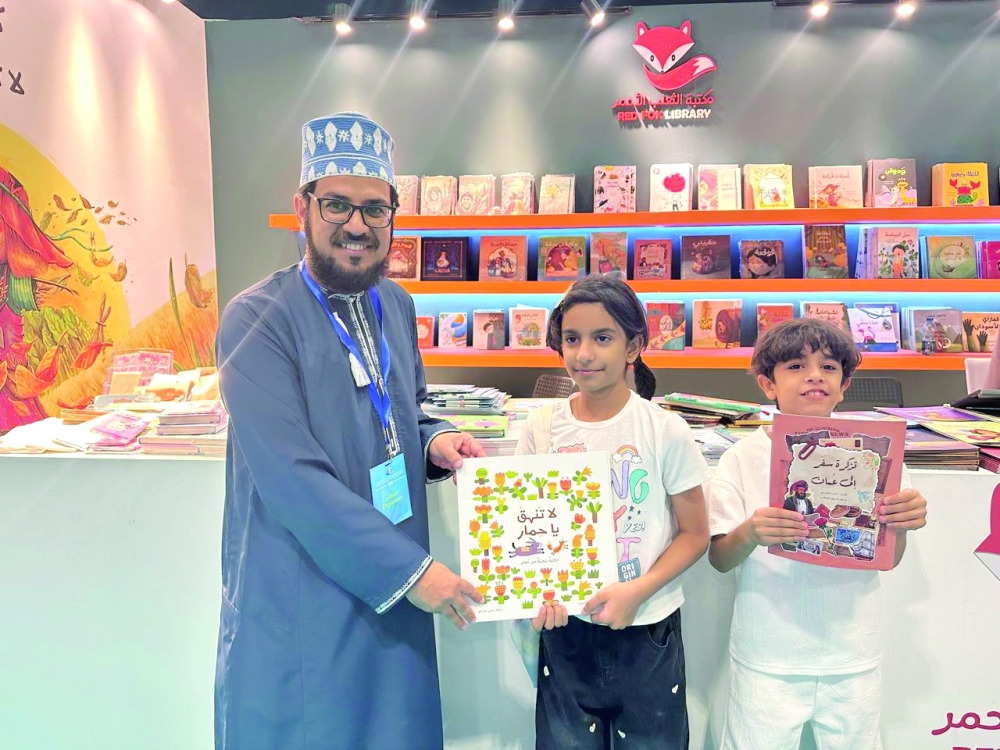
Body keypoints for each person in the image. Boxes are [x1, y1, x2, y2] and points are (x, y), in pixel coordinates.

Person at [214, 111, 485, 750]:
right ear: (302, 207)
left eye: (375, 209)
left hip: (395, 566)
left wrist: (432, 440)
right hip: (305, 581)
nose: (356, 226)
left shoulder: (395, 303)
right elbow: (292, 478)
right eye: (336, 205)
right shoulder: (257, 319)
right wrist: (414, 574)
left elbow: (403, 409)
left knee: (396, 727)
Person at [707, 318, 928, 749]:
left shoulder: (876, 453)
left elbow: (889, 556)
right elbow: (719, 558)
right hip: (767, 652)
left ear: (844, 384)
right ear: (766, 384)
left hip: (852, 652)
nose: (814, 375)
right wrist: (751, 531)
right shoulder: (742, 457)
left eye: (828, 367)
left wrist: (901, 522)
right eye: (795, 366)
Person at [514, 275, 712, 749]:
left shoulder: (663, 429)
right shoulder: (542, 427)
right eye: (572, 338)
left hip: (646, 628)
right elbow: (523, 528)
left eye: (602, 338)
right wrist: (534, 593)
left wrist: (637, 591)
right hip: (567, 630)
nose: (584, 354)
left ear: (633, 346)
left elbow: (695, 533)